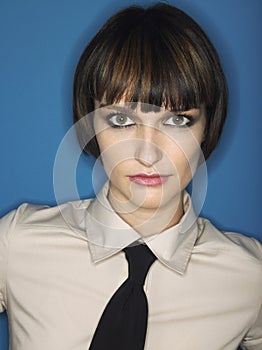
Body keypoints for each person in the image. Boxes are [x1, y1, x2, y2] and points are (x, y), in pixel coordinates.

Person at [0, 3, 261, 350]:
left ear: (206, 128)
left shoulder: (249, 277)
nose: (148, 154)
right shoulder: (17, 243)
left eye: (177, 120)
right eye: (122, 121)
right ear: (90, 123)